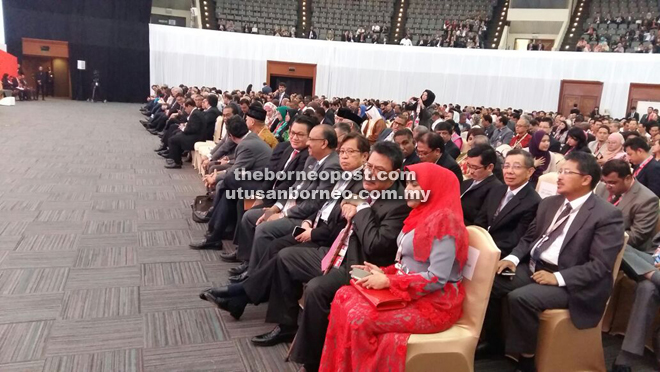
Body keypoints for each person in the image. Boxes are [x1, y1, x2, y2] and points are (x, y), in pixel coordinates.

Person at [479, 151, 624, 372]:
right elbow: (530, 237)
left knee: (522, 298)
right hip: (536, 267)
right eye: (560, 170)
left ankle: (527, 360)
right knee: (490, 282)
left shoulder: (606, 215)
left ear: (586, 179)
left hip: (573, 281)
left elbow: (600, 266)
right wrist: (512, 258)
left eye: (567, 172)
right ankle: (496, 343)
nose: (559, 176)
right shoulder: (550, 203)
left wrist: (557, 278)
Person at [319, 163, 468, 372]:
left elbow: (437, 278)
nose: (408, 190)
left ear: (434, 188)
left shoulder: (445, 222)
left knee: (359, 318)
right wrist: (385, 272)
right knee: (343, 295)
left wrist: (390, 281)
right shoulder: (420, 214)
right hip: (411, 291)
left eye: (416, 185)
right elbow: (407, 263)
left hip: (434, 304)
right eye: (407, 184)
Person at [231, 123, 342, 279]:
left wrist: (284, 214)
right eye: (292, 133)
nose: (306, 142)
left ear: (323, 143)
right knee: (248, 213)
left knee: (264, 229)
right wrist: (276, 207)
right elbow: (292, 186)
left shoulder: (331, 165)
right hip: (285, 203)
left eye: (309, 138)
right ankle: (248, 262)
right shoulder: (306, 156)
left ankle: (254, 276)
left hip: (303, 216)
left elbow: (315, 203)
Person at [189, 115, 274, 250]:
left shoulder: (246, 145)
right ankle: (215, 232)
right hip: (256, 180)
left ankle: (214, 231)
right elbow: (240, 166)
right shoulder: (251, 138)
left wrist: (215, 178)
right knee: (226, 186)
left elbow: (236, 172)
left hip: (262, 186)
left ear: (230, 135)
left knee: (226, 182)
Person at [474, 149, 541, 257]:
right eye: (506, 166)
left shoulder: (533, 201)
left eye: (517, 167)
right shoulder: (497, 189)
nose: (509, 171)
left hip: (500, 253)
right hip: (479, 245)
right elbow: (481, 220)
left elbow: (515, 239)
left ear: (530, 172)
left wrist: (487, 251)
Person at [611, 232, 660, 372]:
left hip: (652, 268)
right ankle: (652, 274)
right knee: (619, 242)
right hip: (654, 260)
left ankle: (624, 359)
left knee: (647, 287)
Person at [595, 159, 659, 252]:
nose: (607, 186)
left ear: (628, 178)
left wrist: (601, 237)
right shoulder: (602, 187)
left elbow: (636, 237)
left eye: (612, 183)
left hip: (626, 250)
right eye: (605, 181)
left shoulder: (647, 200)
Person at [460, 145, 502, 226]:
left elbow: (482, 220)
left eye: (475, 168)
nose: (471, 171)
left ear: (490, 167)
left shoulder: (496, 188)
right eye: (469, 165)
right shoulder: (467, 182)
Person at [165, 98, 206, 169]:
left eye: (185, 108)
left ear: (189, 106)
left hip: (196, 137)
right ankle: (176, 159)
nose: (185, 110)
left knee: (173, 140)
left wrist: (184, 129)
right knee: (176, 136)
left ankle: (177, 162)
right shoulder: (196, 112)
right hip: (196, 135)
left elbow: (193, 129)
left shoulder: (195, 114)